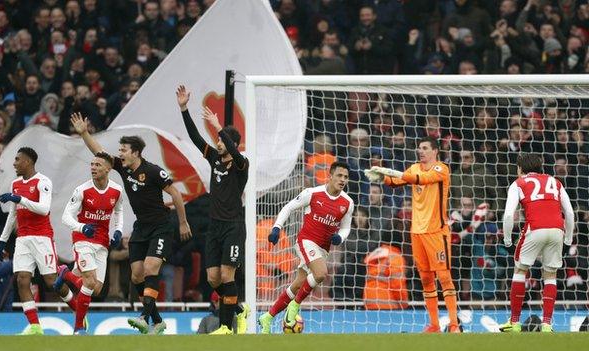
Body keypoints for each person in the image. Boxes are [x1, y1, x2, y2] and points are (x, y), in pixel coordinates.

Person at [70, 113, 191, 334]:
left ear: (135, 153)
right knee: (136, 274)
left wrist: (182, 223)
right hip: (141, 227)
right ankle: (157, 320)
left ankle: (144, 316)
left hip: (161, 227)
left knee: (150, 268)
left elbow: (175, 193)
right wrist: (85, 133)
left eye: (124, 150)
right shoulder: (124, 168)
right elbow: (100, 153)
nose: (120, 153)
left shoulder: (153, 171)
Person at [364, 136, 461, 333]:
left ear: (435, 151)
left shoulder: (441, 169)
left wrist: (389, 171)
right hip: (416, 232)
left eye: (425, 148)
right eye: (419, 148)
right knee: (425, 279)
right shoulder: (414, 168)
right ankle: (434, 325)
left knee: (444, 277)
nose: (421, 151)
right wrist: (383, 177)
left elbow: (421, 180)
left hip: (436, 232)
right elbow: (397, 181)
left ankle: (453, 324)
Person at [176, 85, 249, 335]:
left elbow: (236, 154)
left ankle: (226, 327)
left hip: (233, 227)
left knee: (228, 275)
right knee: (213, 279)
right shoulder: (214, 159)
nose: (217, 143)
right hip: (214, 227)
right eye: (218, 140)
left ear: (232, 144)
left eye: (220, 140)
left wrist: (220, 127)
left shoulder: (242, 165)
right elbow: (196, 138)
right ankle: (238, 308)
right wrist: (184, 109)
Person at [258, 161, 354, 334]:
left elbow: (346, 226)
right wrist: (276, 227)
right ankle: (294, 307)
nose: (342, 179)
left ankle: (268, 317)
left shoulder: (347, 202)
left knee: (297, 285)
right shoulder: (312, 193)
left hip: (323, 248)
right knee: (320, 273)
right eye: (339, 175)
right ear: (330, 176)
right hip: (306, 241)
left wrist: (340, 236)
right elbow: (288, 208)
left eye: (345, 177)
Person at [0, 147, 75, 335]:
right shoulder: (15, 183)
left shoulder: (43, 181)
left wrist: (19, 198)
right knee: (22, 280)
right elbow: (13, 215)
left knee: (52, 282)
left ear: (28, 162)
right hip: (22, 238)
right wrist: (2, 240)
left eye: (17, 159)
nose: (14, 163)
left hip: (42, 238)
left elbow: (44, 209)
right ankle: (35, 327)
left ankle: (79, 311)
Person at [499, 153, 575, 333]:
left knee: (520, 270)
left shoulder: (518, 183)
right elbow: (570, 213)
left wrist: (508, 239)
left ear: (520, 168)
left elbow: (509, 214)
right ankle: (547, 324)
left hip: (534, 228)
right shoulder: (555, 182)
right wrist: (568, 239)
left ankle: (515, 322)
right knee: (550, 274)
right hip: (557, 230)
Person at [56, 152, 124, 334]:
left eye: (98, 165)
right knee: (89, 282)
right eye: (92, 164)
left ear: (108, 169)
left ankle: (65, 273)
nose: (93, 167)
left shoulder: (117, 190)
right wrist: (81, 227)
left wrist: (118, 230)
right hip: (82, 240)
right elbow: (65, 217)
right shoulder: (82, 190)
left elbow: (119, 211)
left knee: (97, 289)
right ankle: (79, 329)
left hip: (102, 242)